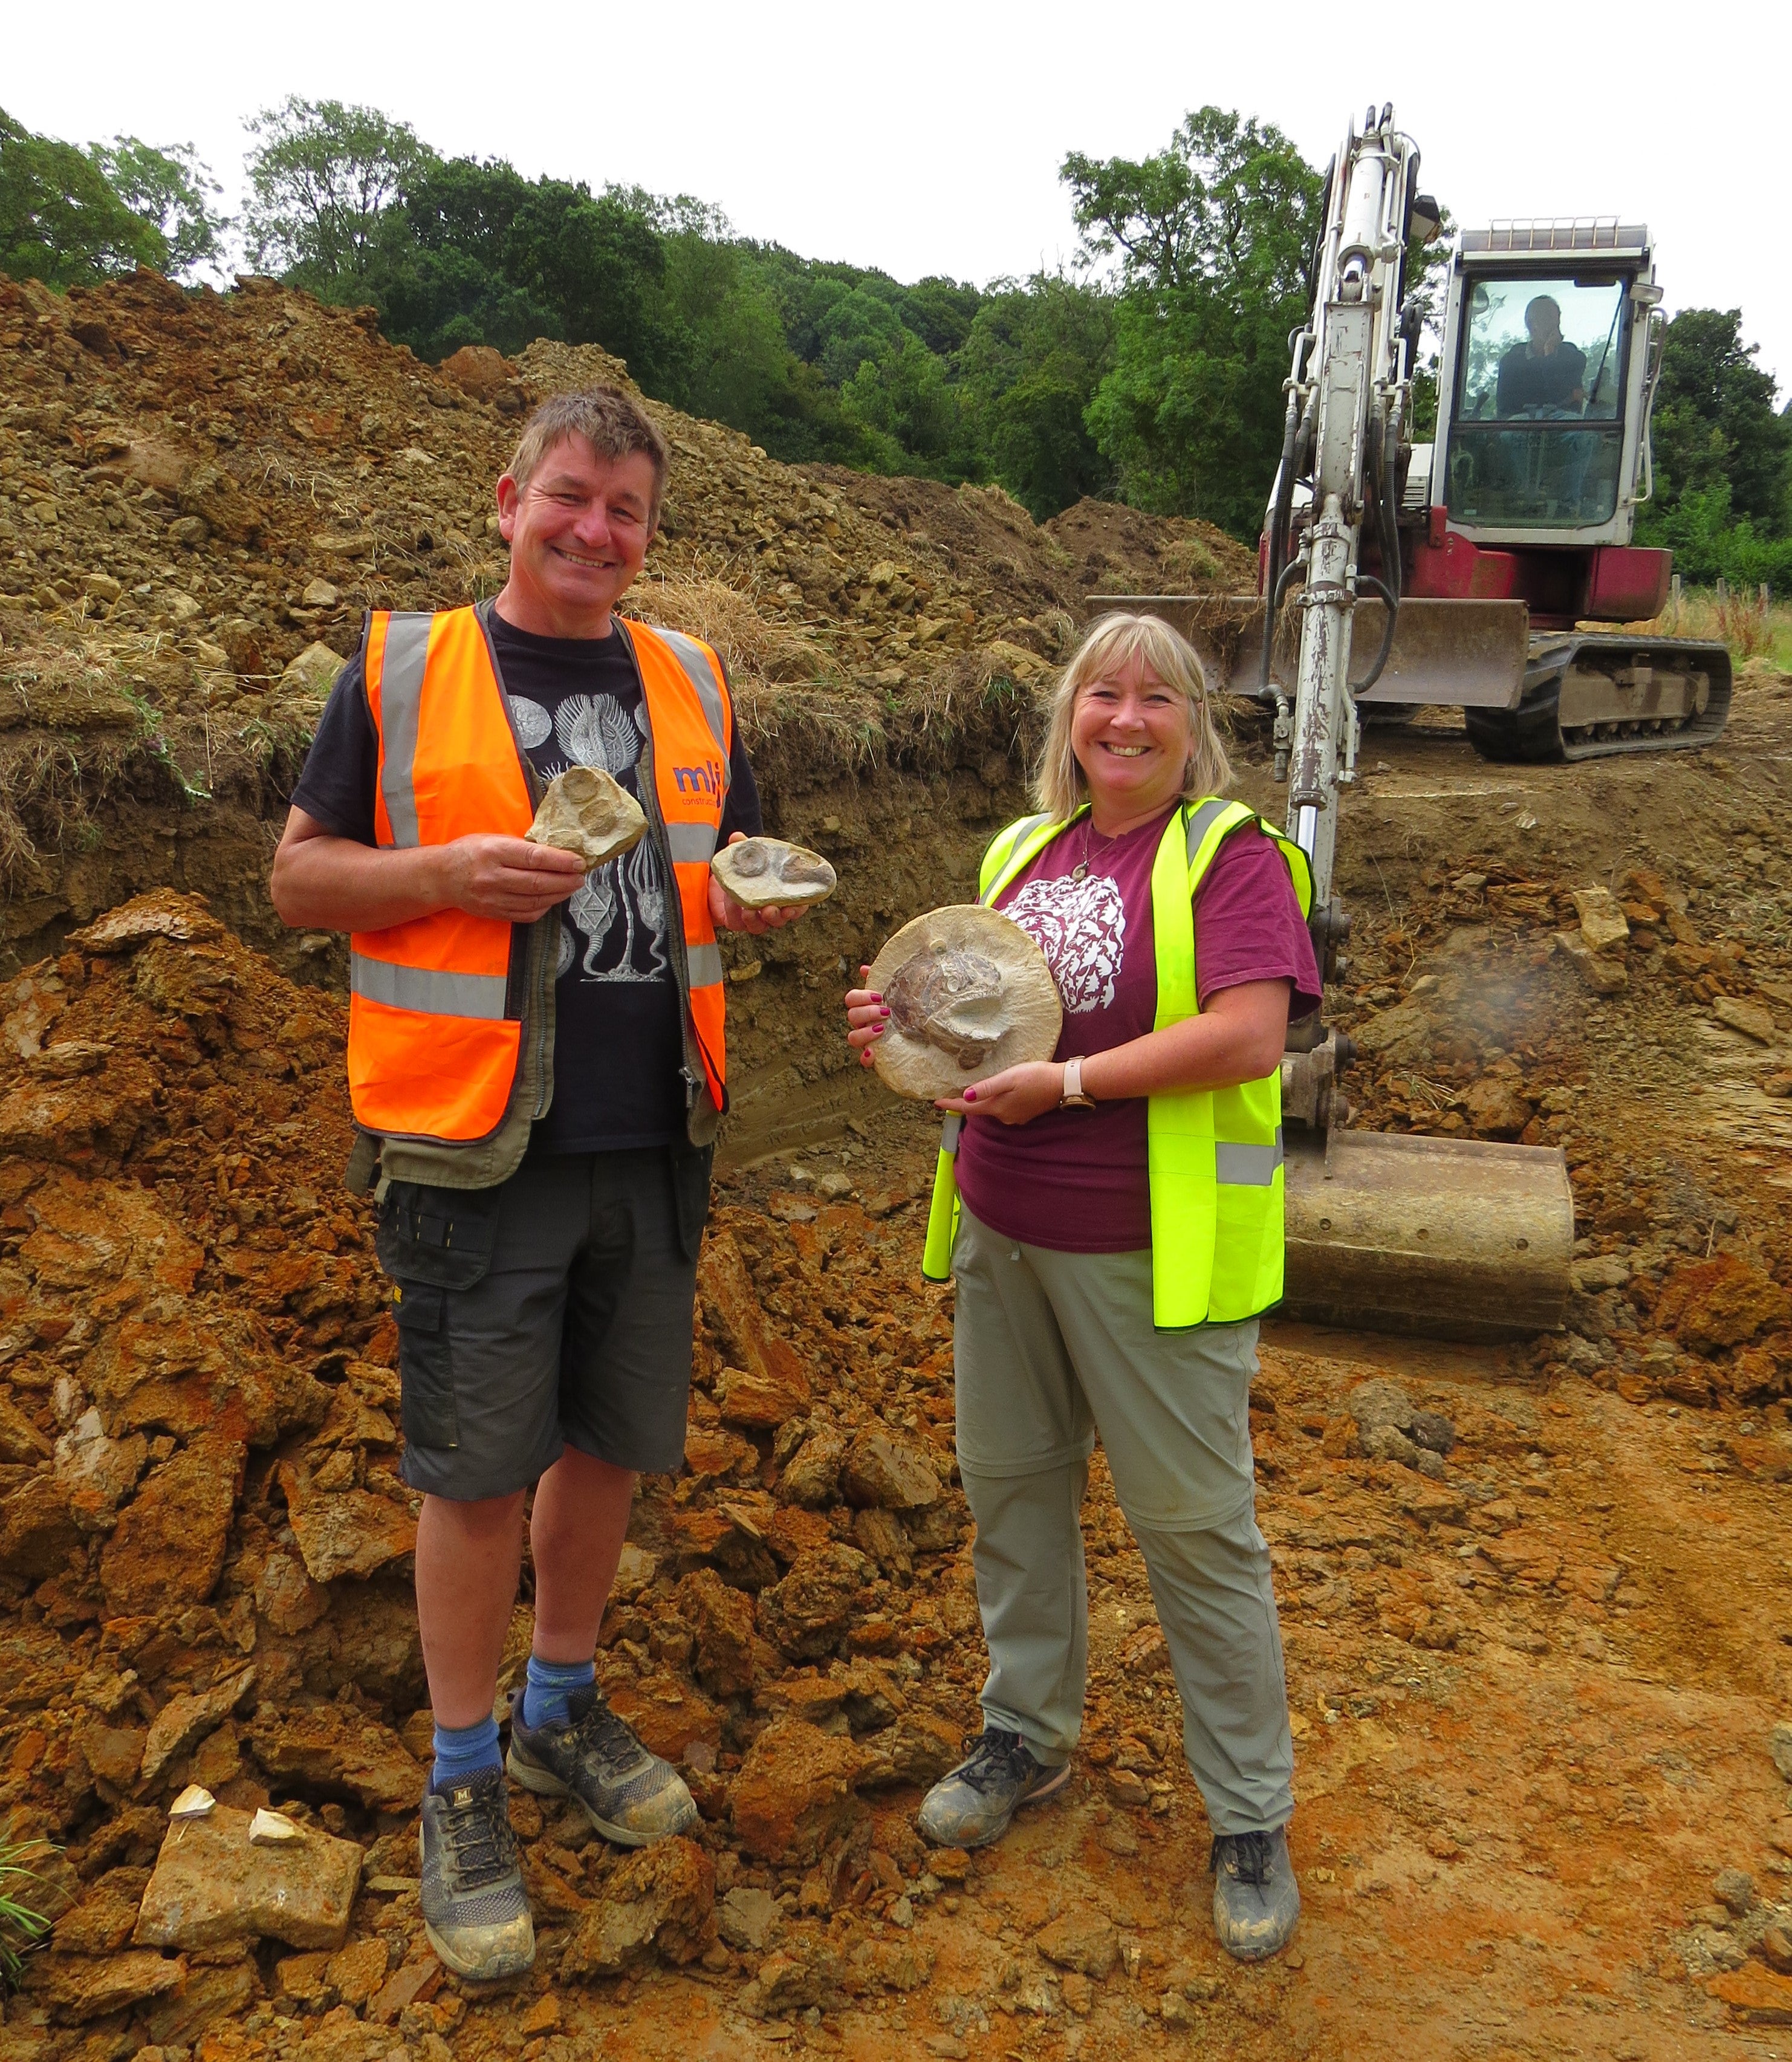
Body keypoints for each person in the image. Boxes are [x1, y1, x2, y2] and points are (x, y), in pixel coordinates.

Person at [271, 387, 807, 1983]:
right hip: (472, 1138)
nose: (594, 531)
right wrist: (442, 875)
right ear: (508, 500)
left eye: (625, 512)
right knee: (472, 1468)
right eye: (568, 498)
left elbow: (736, 863)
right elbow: (298, 877)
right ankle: (459, 1775)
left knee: (603, 1443)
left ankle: (559, 1706)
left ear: (650, 532)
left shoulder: (692, 676)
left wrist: (758, 899)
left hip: (653, 1134)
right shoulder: (406, 670)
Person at [843, 612, 1320, 1962]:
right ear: (1068, 717)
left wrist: (1072, 1083)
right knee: (1013, 1497)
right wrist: (899, 1025)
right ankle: (1026, 1736)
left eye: (1154, 697)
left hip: (1149, 1252)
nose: (1125, 717)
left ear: (1192, 724)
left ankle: (1246, 1810)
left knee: (1195, 1533)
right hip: (1005, 1234)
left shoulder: (1229, 856)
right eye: (1101, 694)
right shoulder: (1019, 852)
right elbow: (977, 1012)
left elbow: (1247, 1033)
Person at [1496, 294, 1585, 416]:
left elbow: (1570, 401)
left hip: (1563, 425)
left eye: (1556, 317)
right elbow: (1505, 408)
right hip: (1520, 426)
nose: (1554, 323)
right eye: (1547, 317)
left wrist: (1549, 354)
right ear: (1530, 324)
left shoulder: (1573, 357)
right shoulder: (1511, 361)